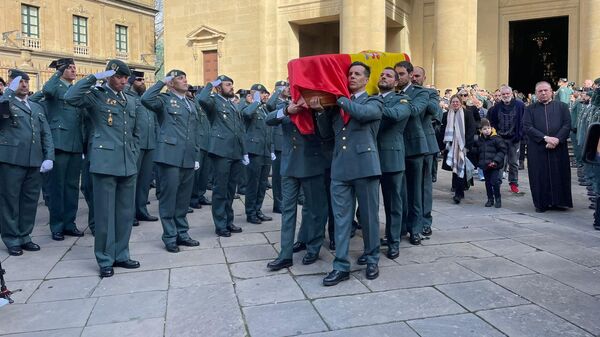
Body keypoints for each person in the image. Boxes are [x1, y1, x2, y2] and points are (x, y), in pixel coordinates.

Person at [65, 60, 140, 277]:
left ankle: (122, 254)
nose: (124, 81)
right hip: (104, 162)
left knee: (125, 213)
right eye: (118, 76)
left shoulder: (129, 98)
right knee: (105, 214)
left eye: (126, 77)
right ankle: (105, 258)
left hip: (127, 162)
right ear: (108, 76)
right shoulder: (96, 95)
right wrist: (93, 77)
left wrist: (134, 151)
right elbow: (71, 98)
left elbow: (135, 130)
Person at [312, 61, 383, 286]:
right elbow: (325, 134)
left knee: (369, 217)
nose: (352, 77)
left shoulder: (374, 101)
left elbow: (362, 114)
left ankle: (372, 258)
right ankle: (341, 265)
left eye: (357, 74)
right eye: (349, 74)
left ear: (366, 79)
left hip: (365, 166)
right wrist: (321, 111)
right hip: (340, 167)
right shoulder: (338, 105)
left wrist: (339, 97)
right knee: (341, 219)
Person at [141, 70, 202, 253]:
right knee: (169, 199)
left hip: (188, 156)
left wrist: (196, 156)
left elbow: (195, 131)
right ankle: (169, 236)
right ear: (171, 83)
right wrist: (162, 82)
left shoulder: (191, 103)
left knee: (183, 199)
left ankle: (182, 233)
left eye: (185, 77)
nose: (185, 81)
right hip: (169, 156)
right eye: (180, 78)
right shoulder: (164, 100)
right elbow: (146, 99)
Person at [265, 98, 328, 270]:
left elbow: (326, 131)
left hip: (312, 165)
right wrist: (286, 110)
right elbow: (269, 119)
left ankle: (313, 247)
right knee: (288, 211)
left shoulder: (316, 105)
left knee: (315, 209)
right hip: (289, 166)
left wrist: (318, 110)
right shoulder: (286, 105)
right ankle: (285, 254)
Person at [0, 69, 54, 256]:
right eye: (19, 82)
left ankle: (25, 236)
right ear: (11, 83)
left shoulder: (36, 107)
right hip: (12, 160)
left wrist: (49, 156)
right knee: (10, 200)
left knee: (30, 201)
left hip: (34, 160)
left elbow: (45, 133)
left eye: (26, 81)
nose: (24, 85)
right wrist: (7, 92)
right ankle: (11, 238)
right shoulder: (6, 103)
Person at [42, 58, 85, 241]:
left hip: (75, 143)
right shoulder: (56, 86)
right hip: (59, 141)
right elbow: (47, 91)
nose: (74, 70)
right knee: (57, 187)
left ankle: (70, 223)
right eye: (70, 68)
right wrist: (58, 72)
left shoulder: (76, 90)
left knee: (72, 187)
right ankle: (57, 226)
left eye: (75, 67)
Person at [197, 75, 246, 237]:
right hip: (221, 151)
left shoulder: (232, 105)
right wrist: (211, 84)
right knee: (220, 189)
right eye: (227, 85)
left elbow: (239, 130)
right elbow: (202, 99)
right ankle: (220, 224)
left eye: (232, 84)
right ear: (219, 87)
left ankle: (228, 221)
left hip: (235, 152)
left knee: (231, 189)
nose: (231, 87)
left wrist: (243, 151)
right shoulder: (214, 101)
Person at [376, 67, 412, 259]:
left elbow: (396, 115)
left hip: (392, 158)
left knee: (393, 203)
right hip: (370, 158)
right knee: (369, 205)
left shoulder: (401, 100)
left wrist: (373, 104)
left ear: (396, 82)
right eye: (382, 74)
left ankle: (394, 240)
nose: (383, 76)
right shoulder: (372, 98)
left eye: (388, 75)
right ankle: (372, 243)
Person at [523, 81, 573, 212]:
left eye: (546, 90)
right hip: (538, 148)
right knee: (539, 176)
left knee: (560, 173)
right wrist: (545, 138)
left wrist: (557, 139)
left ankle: (560, 202)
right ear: (536, 93)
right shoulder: (529, 109)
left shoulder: (562, 107)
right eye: (540, 91)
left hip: (558, 147)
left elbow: (567, 124)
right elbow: (527, 127)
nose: (543, 93)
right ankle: (542, 203)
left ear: (552, 92)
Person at [394, 61, 429, 245]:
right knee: (399, 192)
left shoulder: (420, 92)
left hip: (414, 148)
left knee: (415, 192)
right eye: (396, 74)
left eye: (401, 74)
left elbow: (415, 111)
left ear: (409, 74)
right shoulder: (394, 92)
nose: (398, 77)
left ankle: (415, 229)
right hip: (397, 148)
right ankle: (399, 229)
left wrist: (398, 100)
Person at [412, 66, 442, 237]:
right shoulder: (404, 93)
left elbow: (434, 109)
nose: (414, 78)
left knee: (424, 187)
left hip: (426, 146)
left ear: (424, 78)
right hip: (408, 145)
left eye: (418, 76)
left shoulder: (430, 94)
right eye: (412, 75)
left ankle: (425, 220)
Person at [128, 70, 159, 225]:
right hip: (136, 144)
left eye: (143, 79)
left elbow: (155, 122)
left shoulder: (147, 99)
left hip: (150, 144)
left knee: (145, 180)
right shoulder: (127, 97)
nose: (142, 82)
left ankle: (141, 210)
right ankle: (130, 213)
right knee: (132, 181)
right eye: (139, 79)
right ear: (131, 81)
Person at [240, 84, 274, 224]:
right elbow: (246, 114)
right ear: (253, 94)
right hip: (254, 150)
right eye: (261, 93)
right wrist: (255, 101)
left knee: (262, 183)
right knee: (253, 184)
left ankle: (258, 209)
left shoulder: (263, 109)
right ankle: (250, 212)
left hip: (265, 150)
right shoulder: (248, 106)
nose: (264, 95)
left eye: (265, 93)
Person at [487, 85, 525, 194]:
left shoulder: (520, 105)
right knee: (499, 163)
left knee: (513, 163)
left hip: (514, 139)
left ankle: (513, 183)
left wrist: (520, 135)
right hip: (500, 139)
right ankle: (497, 183)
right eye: (503, 94)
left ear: (512, 94)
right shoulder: (496, 107)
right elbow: (492, 122)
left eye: (507, 93)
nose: (505, 96)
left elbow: (524, 121)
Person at [443, 94, 476, 204]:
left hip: (463, 145)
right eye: (453, 102)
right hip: (451, 145)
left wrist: (466, 146)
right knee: (454, 167)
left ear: (461, 103)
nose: (455, 103)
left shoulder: (467, 114)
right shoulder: (446, 115)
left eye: (457, 102)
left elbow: (471, 130)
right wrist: (443, 145)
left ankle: (459, 193)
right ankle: (457, 189)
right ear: (450, 103)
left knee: (460, 166)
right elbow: (443, 130)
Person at [265, 81, 289, 214]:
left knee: (286, 176)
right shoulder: (276, 102)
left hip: (288, 143)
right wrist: (277, 91)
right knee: (278, 177)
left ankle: (285, 201)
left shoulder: (288, 101)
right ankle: (278, 204)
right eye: (285, 88)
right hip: (278, 144)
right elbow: (269, 105)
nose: (288, 89)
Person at [473, 118, 506, 207]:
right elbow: (478, 151)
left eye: (488, 128)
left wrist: (495, 161)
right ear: (481, 130)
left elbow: (502, 150)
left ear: (491, 128)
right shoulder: (479, 140)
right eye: (484, 129)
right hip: (485, 165)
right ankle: (490, 199)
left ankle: (498, 199)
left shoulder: (496, 138)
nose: (487, 130)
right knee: (487, 182)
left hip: (495, 165)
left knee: (494, 181)